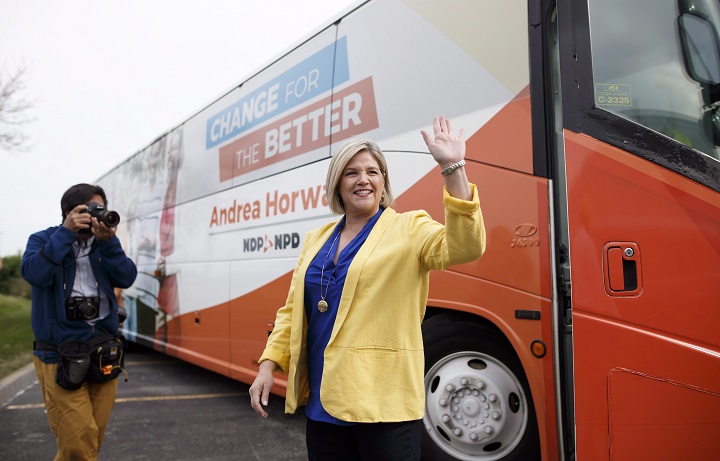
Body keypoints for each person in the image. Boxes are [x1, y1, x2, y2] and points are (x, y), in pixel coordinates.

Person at [249, 116, 486, 460]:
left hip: (384, 405)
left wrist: (453, 169)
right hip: (324, 404)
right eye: (352, 172)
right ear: (337, 184)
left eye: (373, 172)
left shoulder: (410, 227)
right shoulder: (316, 239)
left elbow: (466, 247)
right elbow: (292, 312)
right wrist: (267, 366)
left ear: (383, 181)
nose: (363, 180)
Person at [21, 183, 137, 461]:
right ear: (68, 212)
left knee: (89, 440)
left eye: (100, 208)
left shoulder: (104, 244)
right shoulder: (43, 239)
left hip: (103, 351)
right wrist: (65, 234)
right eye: (88, 209)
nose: (95, 215)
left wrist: (109, 242)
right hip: (59, 354)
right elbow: (34, 274)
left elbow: (126, 277)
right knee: (78, 444)